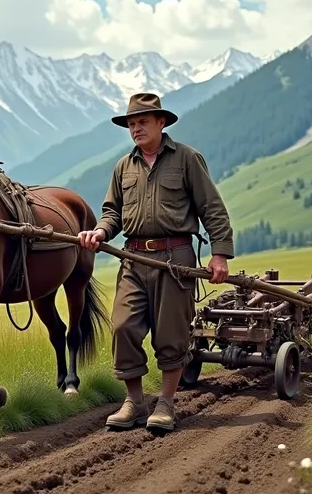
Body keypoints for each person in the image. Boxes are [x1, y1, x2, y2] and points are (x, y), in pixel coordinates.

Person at [78, 92, 234, 432]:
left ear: (161, 122)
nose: (136, 129)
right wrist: (101, 232)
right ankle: (134, 402)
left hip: (175, 258)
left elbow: (211, 207)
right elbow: (112, 213)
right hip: (133, 258)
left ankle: (165, 403)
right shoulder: (123, 166)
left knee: (171, 334)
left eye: (142, 122)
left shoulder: (187, 159)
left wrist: (219, 253)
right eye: (131, 124)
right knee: (123, 326)